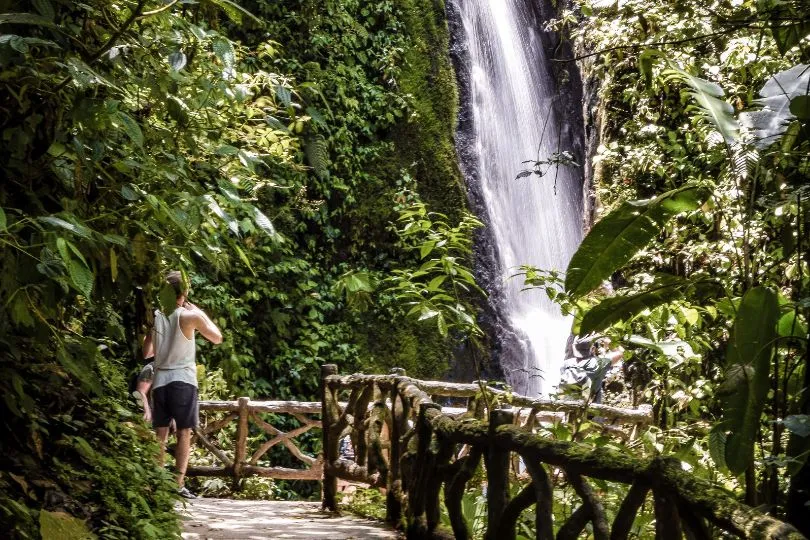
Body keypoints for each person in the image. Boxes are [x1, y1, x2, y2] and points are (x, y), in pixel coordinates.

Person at [143, 271, 223, 498]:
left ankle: (158, 482)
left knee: (160, 433)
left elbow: (146, 352)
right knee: (184, 433)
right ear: (184, 292)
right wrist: (200, 312)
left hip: (160, 380)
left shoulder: (156, 316)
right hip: (183, 380)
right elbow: (217, 337)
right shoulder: (189, 317)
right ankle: (177, 484)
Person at [559, 334, 623, 403]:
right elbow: (620, 353)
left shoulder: (566, 364)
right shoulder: (599, 363)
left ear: (574, 349)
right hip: (590, 410)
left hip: (568, 408)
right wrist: (608, 342)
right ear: (593, 349)